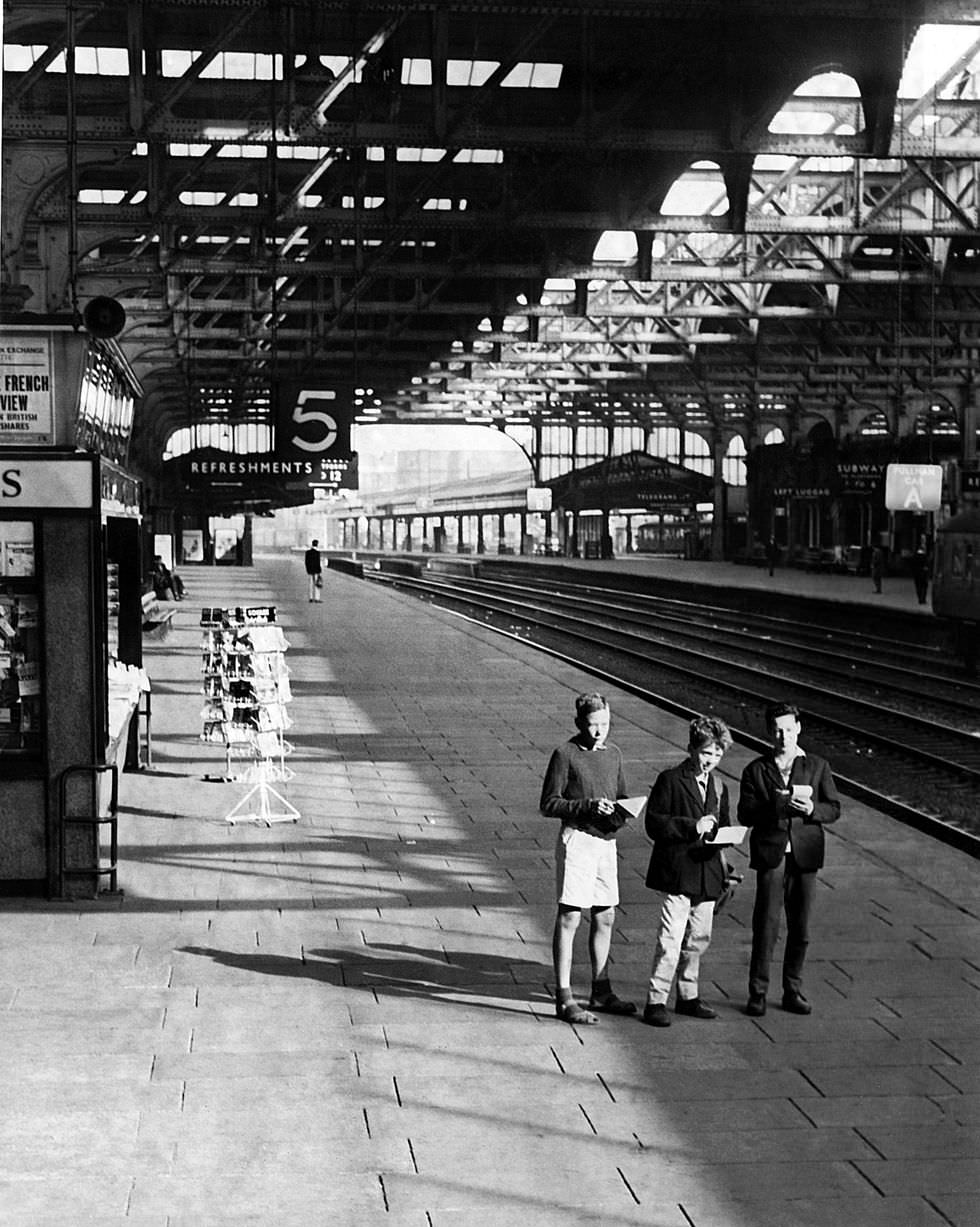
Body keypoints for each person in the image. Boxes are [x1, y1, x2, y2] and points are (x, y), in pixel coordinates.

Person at [738, 702, 841, 1017]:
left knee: (801, 928)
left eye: (789, 729)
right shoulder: (756, 769)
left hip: (805, 854)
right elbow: (745, 814)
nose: (784, 736)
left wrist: (812, 810)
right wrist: (774, 807)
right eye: (778, 730)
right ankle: (757, 992)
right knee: (766, 926)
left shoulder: (817, 766)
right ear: (770, 732)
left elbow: (833, 808)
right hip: (771, 852)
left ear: (799, 729)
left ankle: (792, 990)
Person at [540, 692, 636, 1025]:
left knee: (605, 916)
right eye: (593, 725)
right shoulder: (565, 754)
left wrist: (623, 811)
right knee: (570, 917)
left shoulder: (614, 754)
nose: (600, 732)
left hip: (605, 841)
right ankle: (564, 996)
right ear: (580, 722)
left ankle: (601, 989)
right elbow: (549, 803)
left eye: (605, 724)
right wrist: (586, 806)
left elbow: (620, 795)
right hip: (578, 840)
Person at [641, 716, 734, 1027]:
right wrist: (690, 826)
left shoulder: (720, 787)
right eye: (707, 753)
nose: (711, 761)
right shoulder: (670, 779)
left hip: (708, 875)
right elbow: (654, 823)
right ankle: (656, 1000)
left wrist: (726, 843)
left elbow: (725, 826)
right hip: (679, 873)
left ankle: (688, 995)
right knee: (670, 939)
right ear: (692, 748)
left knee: (699, 938)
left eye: (718, 754)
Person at [911, 538, 930, 605]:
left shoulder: (915, 556)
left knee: (918, 587)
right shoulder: (924, 556)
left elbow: (912, 565)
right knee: (924, 587)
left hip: (916, 574)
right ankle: (923, 599)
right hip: (923, 574)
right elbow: (927, 564)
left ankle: (919, 598)